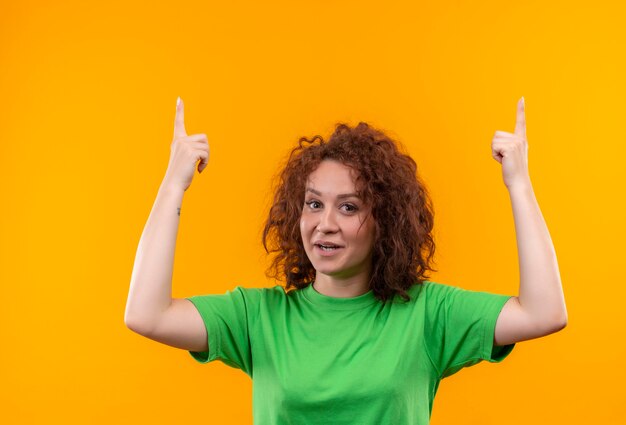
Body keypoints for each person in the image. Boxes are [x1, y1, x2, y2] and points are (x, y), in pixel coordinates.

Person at [125, 96, 568, 424]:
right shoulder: (257, 317)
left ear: (385, 222)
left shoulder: (428, 315)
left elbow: (544, 313)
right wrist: (173, 184)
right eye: (314, 204)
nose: (326, 224)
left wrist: (519, 183)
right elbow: (147, 315)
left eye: (349, 207)